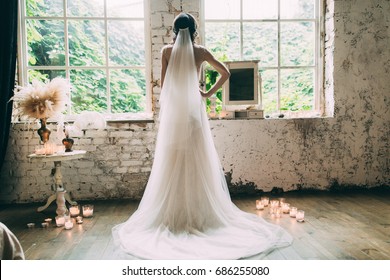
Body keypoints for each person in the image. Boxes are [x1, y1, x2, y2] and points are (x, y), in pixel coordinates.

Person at [112, 12, 292, 259]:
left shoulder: (166, 51)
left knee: (173, 163)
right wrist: (207, 93)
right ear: (194, 30)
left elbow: (164, 88)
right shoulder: (201, 52)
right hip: (194, 114)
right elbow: (226, 72)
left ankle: (174, 215)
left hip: (176, 114)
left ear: (175, 31)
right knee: (197, 162)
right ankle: (201, 214)